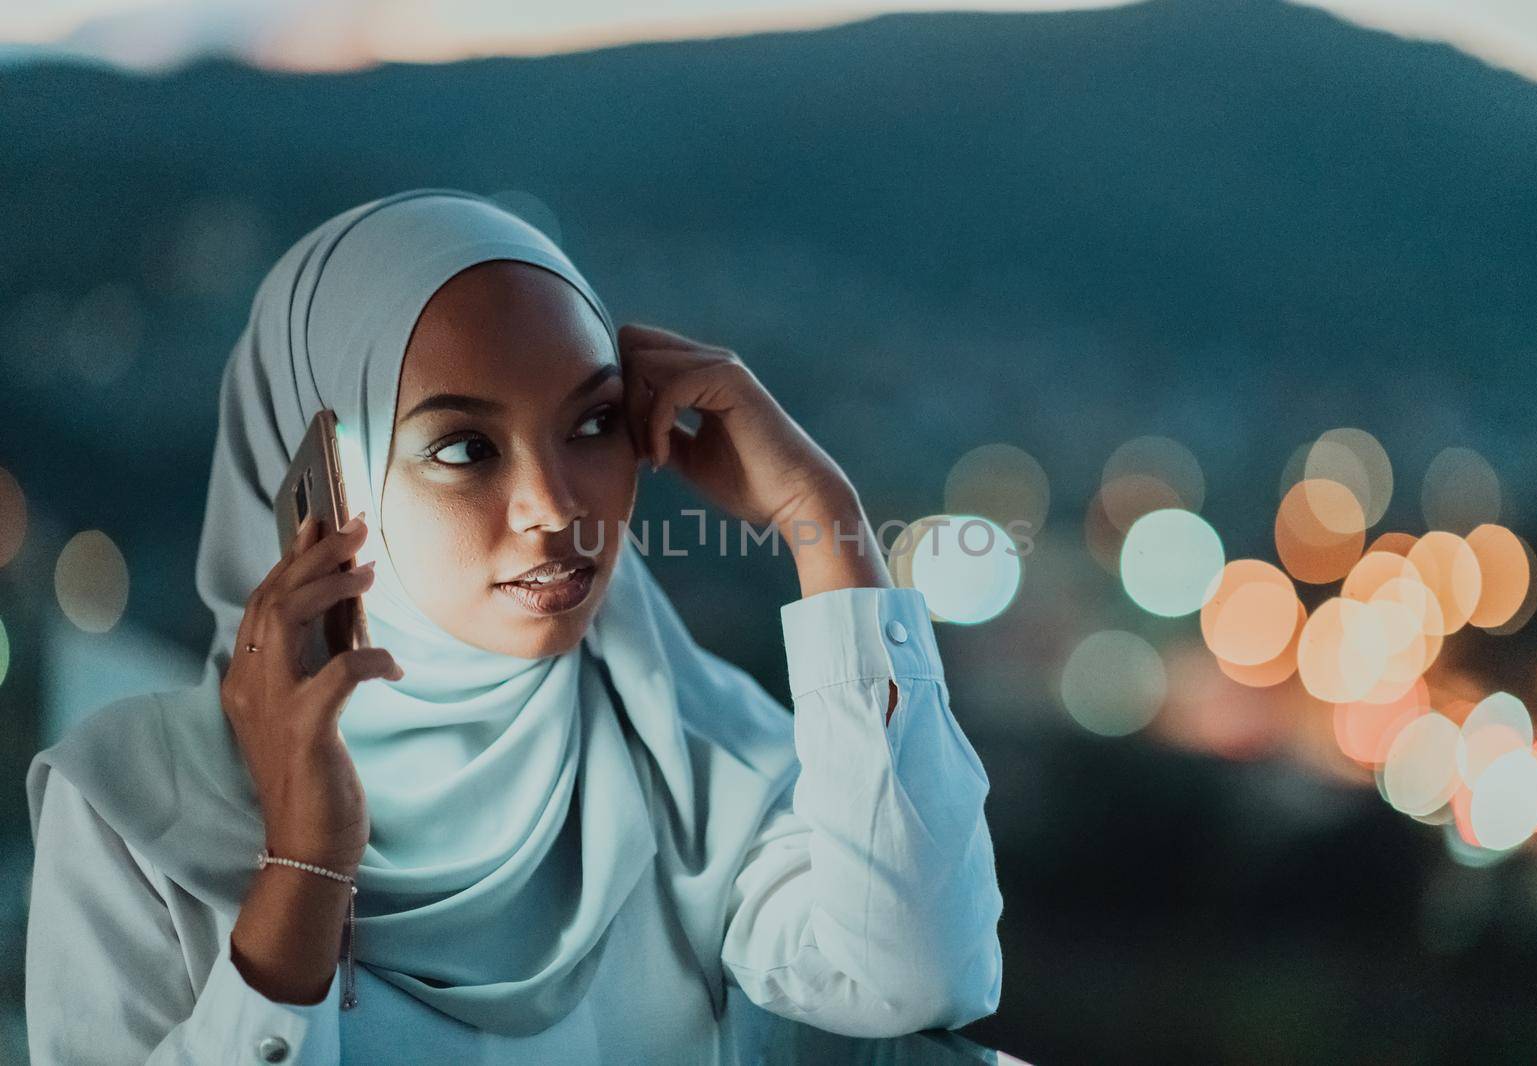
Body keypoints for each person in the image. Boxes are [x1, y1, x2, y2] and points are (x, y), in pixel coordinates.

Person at [24, 189, 1003, 1064]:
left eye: (590, 425)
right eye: (463, 447)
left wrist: (823, 521)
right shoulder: (135, 813)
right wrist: (305, 866)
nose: (550, 504)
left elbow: (913, 974)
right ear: (318, 479)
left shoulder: (689, 753)